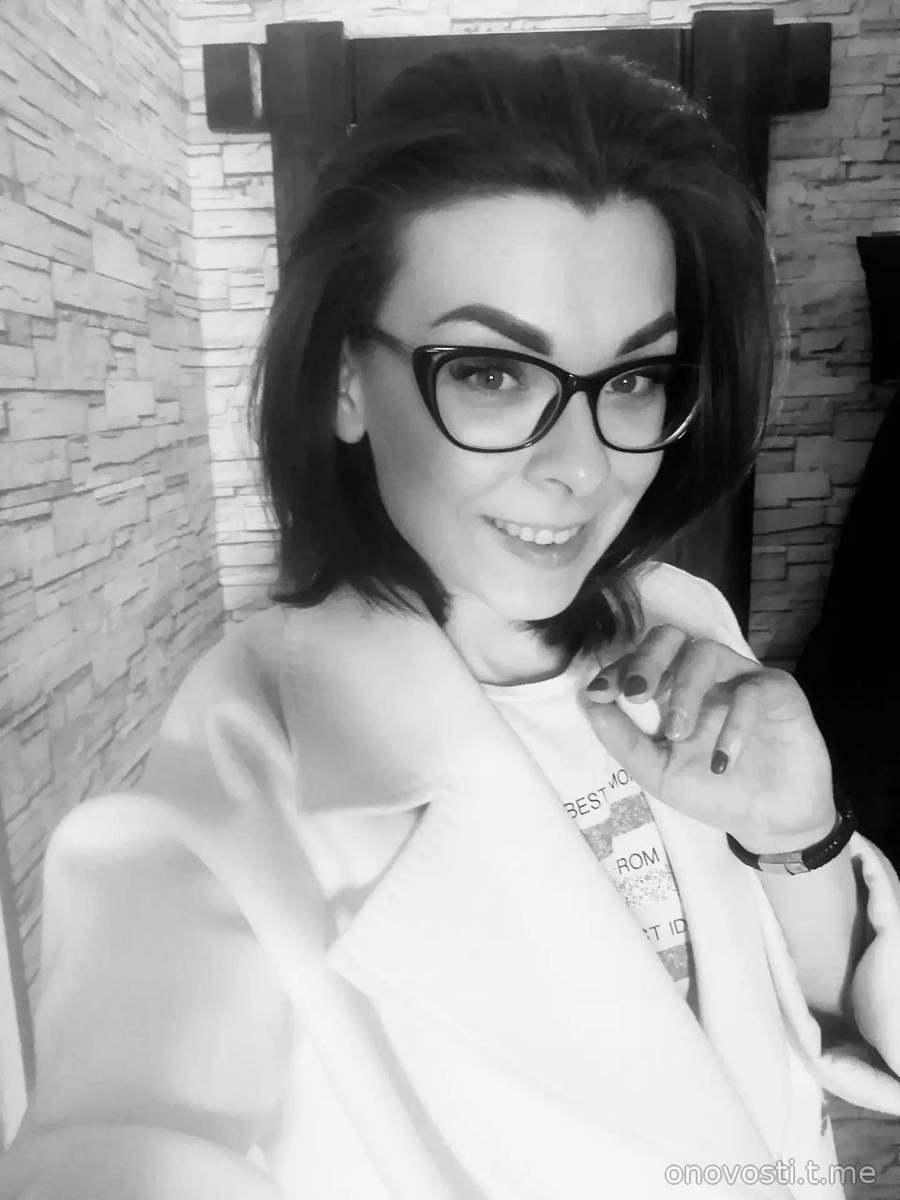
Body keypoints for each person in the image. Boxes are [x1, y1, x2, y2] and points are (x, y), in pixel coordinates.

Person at [3, 44, 900, 1200]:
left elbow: (820, 1021)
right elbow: (125, 1140)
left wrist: (801, 837)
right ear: (344, 378)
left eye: (632, 381)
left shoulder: (687, 626)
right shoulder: (240, 791)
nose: (580, 469)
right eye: (490, 373)